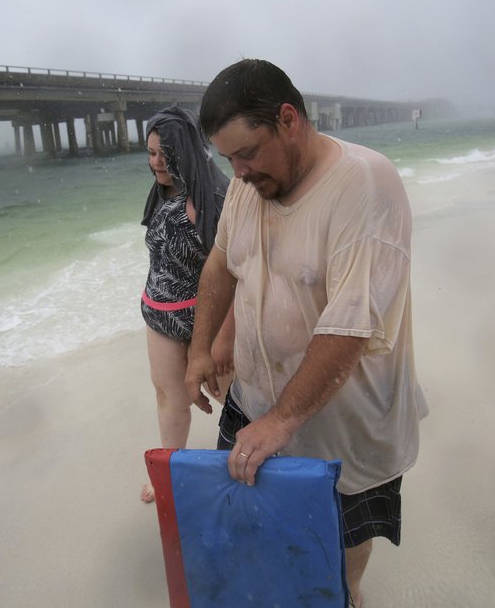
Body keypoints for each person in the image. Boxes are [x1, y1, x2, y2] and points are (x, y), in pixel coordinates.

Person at [185, 60, 428, 607]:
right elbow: (221, 265)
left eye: (247, 153)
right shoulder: (253, 185)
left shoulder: (365, 186)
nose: (239, 172)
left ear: (288, 119)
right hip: (254, 400)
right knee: (254, 518)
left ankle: (346, 593)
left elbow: (349, 327)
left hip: (348, 421)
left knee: (343, 538)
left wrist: (283, 420)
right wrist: (202, 349)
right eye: (228, 160)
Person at [140, 105, 234, 504]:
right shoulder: (163, 188)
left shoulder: (217, 195)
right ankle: (171, 476)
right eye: (150, 152)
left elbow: (236, 273)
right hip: (159, 314)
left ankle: (242, 471)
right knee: (169, 397)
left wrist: (222, 337)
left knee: (232, 398)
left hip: (207, 317)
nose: (156, 162)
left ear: (187, 150)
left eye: (164, 153)